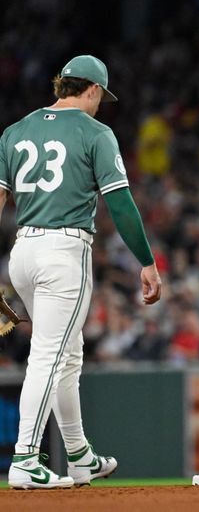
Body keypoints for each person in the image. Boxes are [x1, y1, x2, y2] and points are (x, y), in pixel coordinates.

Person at [0, 55, 162, 489]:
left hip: (23, 252)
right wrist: (146, 261)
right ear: (91, 89)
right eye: (100, 97)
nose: (100, 105)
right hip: (63, 251)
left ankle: (79, 456)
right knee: (50, 356)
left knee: (66, 356)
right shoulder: (95, 133)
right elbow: (121, 204)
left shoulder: (15, 131)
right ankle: (25, 459)